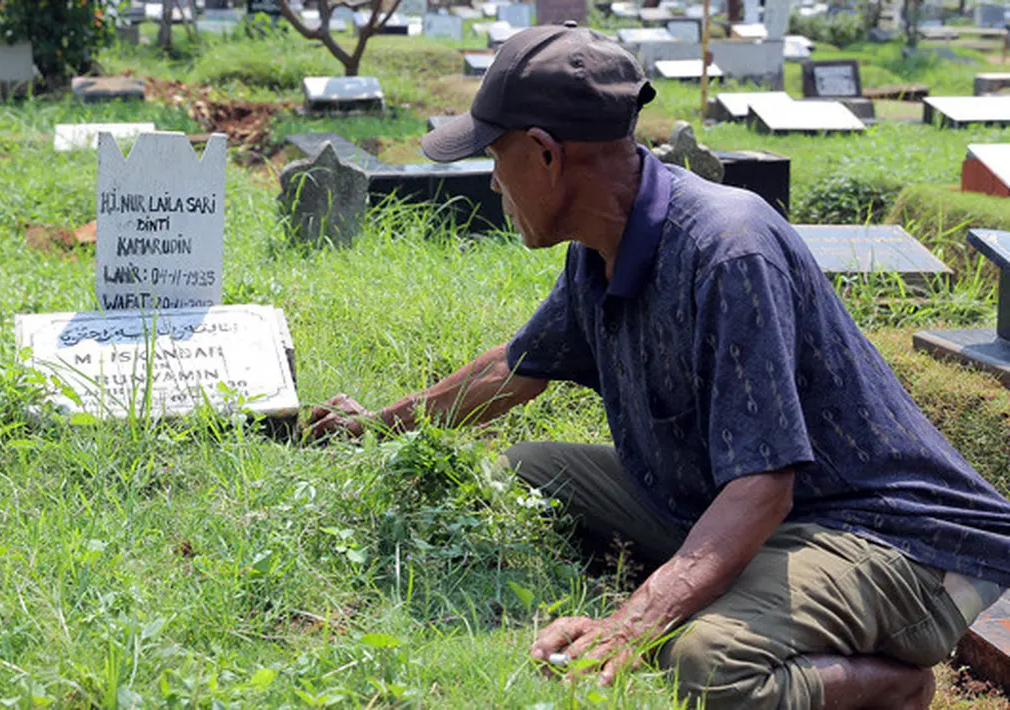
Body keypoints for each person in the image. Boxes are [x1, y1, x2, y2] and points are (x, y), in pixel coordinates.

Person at [306, 21, 1010, 710]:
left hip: (886, 535)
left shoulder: (729, 250)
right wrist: (376, 426)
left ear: (545, 155)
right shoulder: (603, 241)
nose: (494, 182)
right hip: (733, 499)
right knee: (529, 470)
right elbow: (515, 370)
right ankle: (722, 589)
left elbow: (763, 486)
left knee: (705, 668)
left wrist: (630, 627)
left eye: (495, 157)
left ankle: (892, 686)